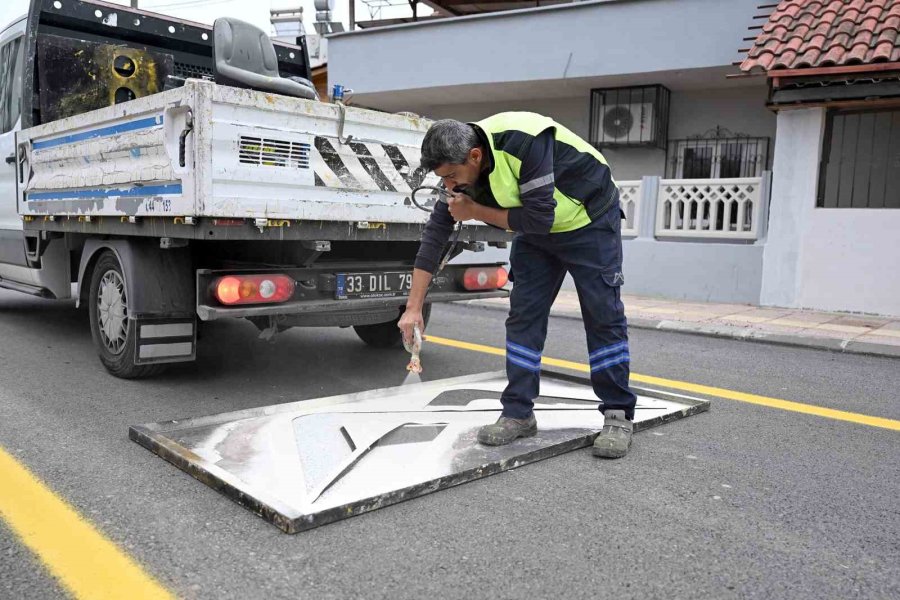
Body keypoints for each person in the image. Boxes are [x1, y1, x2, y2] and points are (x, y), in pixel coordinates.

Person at [398, 112, 637, 458]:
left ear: (475, 156)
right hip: (537, 232)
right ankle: (518, 413)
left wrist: (476, 211)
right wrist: (413, 307)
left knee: (603, 315)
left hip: (590, 221)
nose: (449, 186)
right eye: (443, 179)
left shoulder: (525, 141)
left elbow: (540, 218)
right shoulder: (459, 171)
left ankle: (617, 414)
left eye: (451, 176)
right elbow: (436, 235)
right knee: (524, 315)